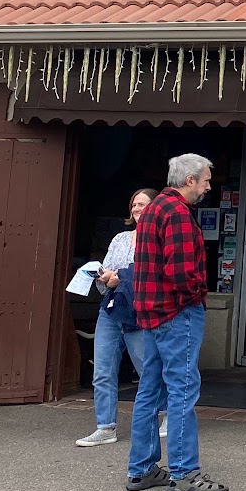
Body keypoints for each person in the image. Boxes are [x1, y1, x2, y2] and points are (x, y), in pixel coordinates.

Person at [124, 154, 228, 491]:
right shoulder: (179, 214)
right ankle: (184, 474)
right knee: (182, 391)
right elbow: (182, 273)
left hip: (151, 314)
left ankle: (141, 470)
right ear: (189, 181)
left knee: (149, 390)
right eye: (206, 180)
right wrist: (197, 295)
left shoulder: (153, 209)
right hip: (177, 314)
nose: (208, 186)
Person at [75, 187, 158, 447]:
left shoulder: (159, 239)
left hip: (140, 311)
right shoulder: (121, 238)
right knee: (102, 370)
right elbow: (108, 266)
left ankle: (163, 416)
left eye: (143, 205)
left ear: (155, 209)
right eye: (134, 205)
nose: (137, 209)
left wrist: (120, 275)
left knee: (148, 369)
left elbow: (152, 273)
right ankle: (105, 427)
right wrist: (104, 275)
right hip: (112, 309)